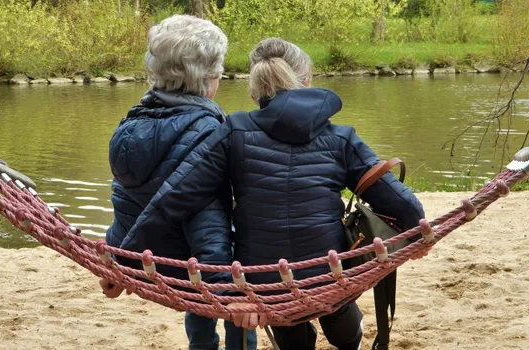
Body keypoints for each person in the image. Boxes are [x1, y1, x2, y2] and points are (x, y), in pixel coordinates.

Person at [122, 38, 425, 350]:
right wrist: (418, 231)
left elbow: (176, 196)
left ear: (256, 91)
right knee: (336, 300)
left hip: (265, 284)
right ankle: (349, 338)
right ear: (306, 82)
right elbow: (398, 200)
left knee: (284, 314)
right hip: (329, 274)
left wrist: (123, 259)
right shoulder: (341, 137)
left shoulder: (232, 130)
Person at [101, 14, 257, 350]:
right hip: (189, 265)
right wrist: (225, 289)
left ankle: (201, 343)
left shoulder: (129, 125)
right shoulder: (212, 132)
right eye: (219, 71)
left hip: (144, 257)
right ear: (209, 79)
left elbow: (125, 200)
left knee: (200, 274)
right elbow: (207, 218)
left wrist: (119, 259)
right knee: (240, 267)